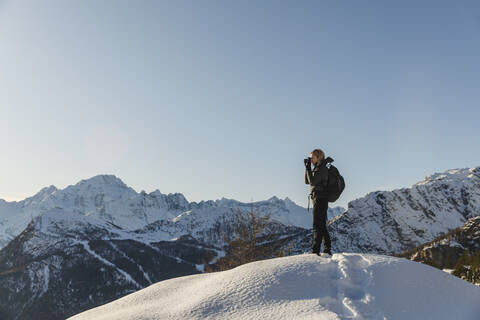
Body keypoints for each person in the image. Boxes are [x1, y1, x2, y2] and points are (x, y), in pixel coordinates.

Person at [304, 148, 332, 256]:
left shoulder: (323, 168)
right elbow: (307, 181)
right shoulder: (317, 168)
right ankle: (327, 249)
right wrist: (307, 168)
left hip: (321, 198)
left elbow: (312, 181)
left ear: (318, 157)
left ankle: (315, 250)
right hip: (318, 198)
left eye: (312, 157)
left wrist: (308, 168)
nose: (311, 159)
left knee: (317, 225)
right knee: (321, 225)